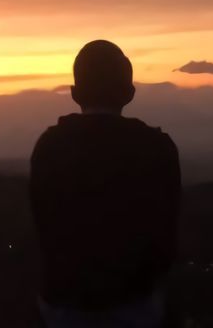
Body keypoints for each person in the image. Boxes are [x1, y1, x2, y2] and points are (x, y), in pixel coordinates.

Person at [30, 40, 182, 328]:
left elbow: (41, 223)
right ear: (129, 92)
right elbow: (167, 233)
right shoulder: (157, 148)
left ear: (74, 93)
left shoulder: (48, 147)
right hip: (137, 305)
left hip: (63, 306)